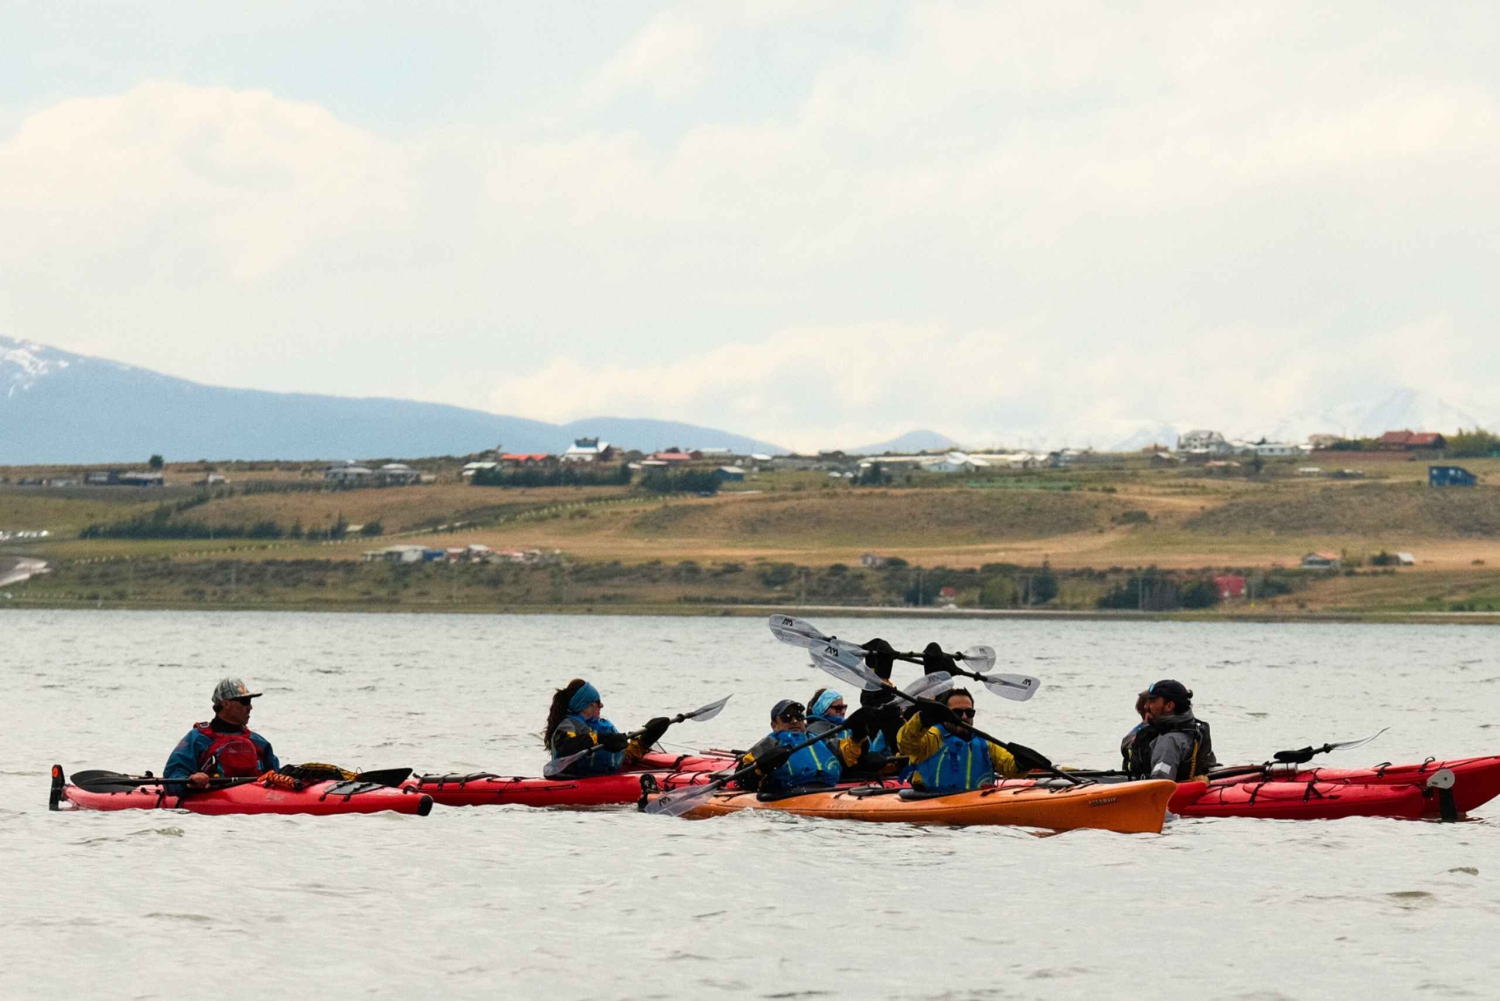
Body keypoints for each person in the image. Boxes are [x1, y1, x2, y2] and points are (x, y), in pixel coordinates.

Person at [896, 687, 1024, 794]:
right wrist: (922, 719)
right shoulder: (932, 737)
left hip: (976, 803)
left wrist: (1022, 764)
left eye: (969, 713)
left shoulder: (985, 742)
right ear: (945, 714)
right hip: (933, 801)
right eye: (957, 712)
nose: (964, 717)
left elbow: (1009, 766)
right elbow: (906, 744)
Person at [164, 678, 280, 790]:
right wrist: (190, 782)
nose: (250, 707)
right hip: (209, 794)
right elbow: (173, 775)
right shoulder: (198, 739)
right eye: (245, 702)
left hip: (254, 795)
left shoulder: (259, 742)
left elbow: (276, 773)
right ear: (226, 703)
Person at [544, 679, 672, 777]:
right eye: (598, 702)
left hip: (601, 773)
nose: (602, 705)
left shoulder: (598, 725)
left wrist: (645, 740)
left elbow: (621, 756)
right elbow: (565, 746)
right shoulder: (568, 725)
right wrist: (599, 739)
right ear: (586, 705)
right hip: (572, 777)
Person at [739, 699, 844, 793]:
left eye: (799, 717)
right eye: (787, 718)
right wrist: (761, 768)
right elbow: (742, 777)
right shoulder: (769, 744)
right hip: (788, 793)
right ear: (774, 725)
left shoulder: (819, 740)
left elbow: (846, 758)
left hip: (826, 789)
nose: (794, 721)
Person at [1125, 679, 1216, 782]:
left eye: (1152, 701)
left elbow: (1161, 783)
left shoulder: (1169, 741)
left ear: (1169, 706)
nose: (1146, 706)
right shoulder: (1196, 731)